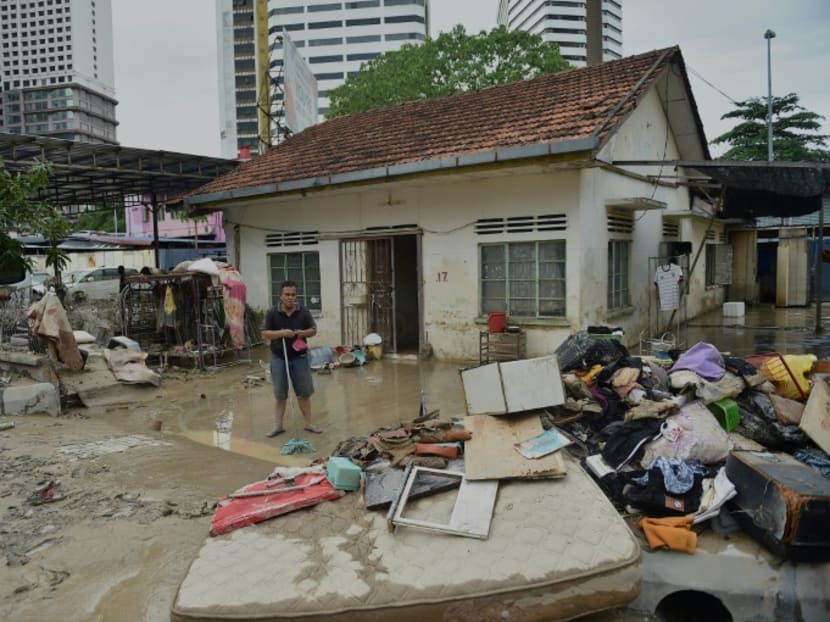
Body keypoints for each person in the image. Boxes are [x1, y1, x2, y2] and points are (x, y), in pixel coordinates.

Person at [261, 280, 322, 437]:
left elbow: (313, 330)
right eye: (287, 294)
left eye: (293, 294)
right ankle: (278, 426)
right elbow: (265, 333)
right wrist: (281, 333)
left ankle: (309, 424)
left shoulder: (304, 312)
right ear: (280, 296)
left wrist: (301, 333)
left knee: (304, 393)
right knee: (280, 393)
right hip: (279, 357)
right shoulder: (272, 313)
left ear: (296, 295)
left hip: (300, 357)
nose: (290, 297)